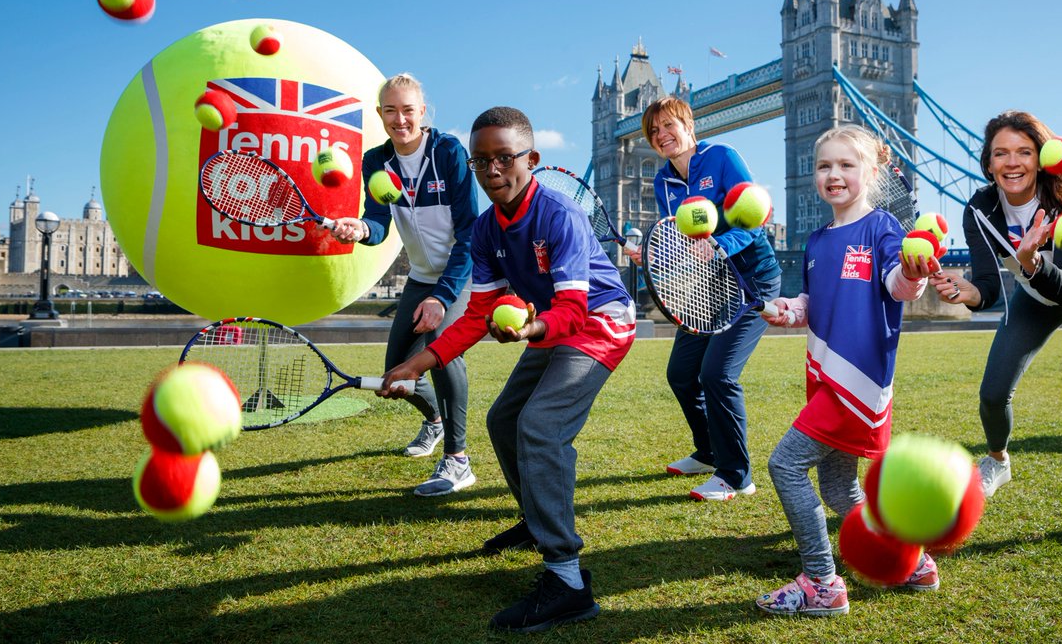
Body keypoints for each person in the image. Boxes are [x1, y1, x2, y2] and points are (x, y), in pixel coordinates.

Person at [377, 106, 636, 633]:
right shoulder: (489, 229)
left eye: (504, 157)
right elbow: (477, 315)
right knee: (502, 421)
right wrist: (416, 363)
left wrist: (528, 330)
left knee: (540, 427)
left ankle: (567, 581)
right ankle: (537, 522)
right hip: (548, 323)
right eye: (481, 161)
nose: (492, 169)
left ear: (531, 160)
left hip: (599, 324)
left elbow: (574, 312)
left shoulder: (559, 215)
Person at [752, 125, 936, 617]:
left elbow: (897, 284)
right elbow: (818, 302)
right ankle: (910, 558)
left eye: (846, 165)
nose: (833, 175)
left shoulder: (883, 229)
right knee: (838, 487)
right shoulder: (816, 241)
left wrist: (914, 273)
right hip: (824, 378)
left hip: (857, 384)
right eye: (823, 166)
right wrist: (790, 309)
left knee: (784, 465)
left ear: (871, 173)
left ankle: (821, 582)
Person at [932, 110, 1062, 547]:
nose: (1013, 162)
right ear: (988, 164)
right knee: (991, 391)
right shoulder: (979, 209)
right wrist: (969, 292)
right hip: (1037, 289)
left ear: (1041, 160)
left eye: (1024, 151)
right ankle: (998, 461)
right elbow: (987, 285)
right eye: (1001, 153)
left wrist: (1030, 261)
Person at [330, 73, 478, 497]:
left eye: (408, 110)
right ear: (380, 114)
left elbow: (469, 232)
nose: (400, 119)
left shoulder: (448, 151)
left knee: (444, 353)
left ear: (422, 112)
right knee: (396, 376)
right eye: (391, 111)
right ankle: (434, 421)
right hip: (419, 277)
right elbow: (378, 222)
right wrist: (359, 228)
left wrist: (442, 296)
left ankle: (458, 459)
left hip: (459, 272)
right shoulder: (376, 161)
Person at [636, 96, 781, 501]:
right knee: (681, 374)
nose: (662, 135)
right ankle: (708, 451)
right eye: (654, 131)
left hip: (753, 282)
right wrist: (652, 249)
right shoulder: (662, 181)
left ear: (688, 125)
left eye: (669, 126)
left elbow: (755, 216)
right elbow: (683, 237)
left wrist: (722, 244)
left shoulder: (722, 157)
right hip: (710, 287)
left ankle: (737, 476)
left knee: (718, 374)